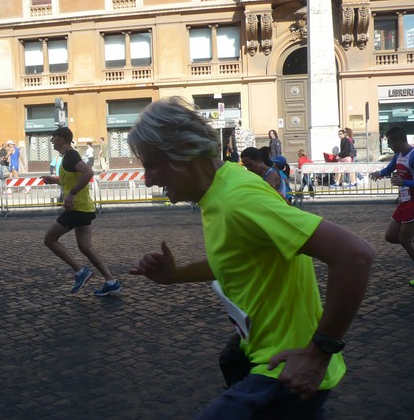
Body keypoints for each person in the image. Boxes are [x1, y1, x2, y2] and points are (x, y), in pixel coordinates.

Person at [127, 97, 373, 418]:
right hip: (267, 361)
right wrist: (176, 274)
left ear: (183, 153)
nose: (147, 180)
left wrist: (319, 352)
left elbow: (354, 255)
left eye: (151, 165)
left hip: (284, 368)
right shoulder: (219, 189)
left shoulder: (238, 198)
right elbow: (236, 261)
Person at [41, 127, 122, 296]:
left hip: (76, 208)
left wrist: (72, 193)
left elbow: (88, 172)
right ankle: (111, 282)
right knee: (86, 247)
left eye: (53, 138)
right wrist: (55, 180)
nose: (51, 142)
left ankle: (80, 272)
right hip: (84, 208)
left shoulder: (71, 155)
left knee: (50, 239)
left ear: (61, 140)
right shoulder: (67, 157)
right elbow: (73, 177)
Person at [370, 126, 414, 286]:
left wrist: (404, 182)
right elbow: (389, 168)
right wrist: (378, 174)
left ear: (397, 141)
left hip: (413, 202)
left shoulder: (412, 156)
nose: (388, 145)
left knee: (405, 240)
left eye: (389, 142)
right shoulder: (398, 155)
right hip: (404, 202)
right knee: (391, 236)